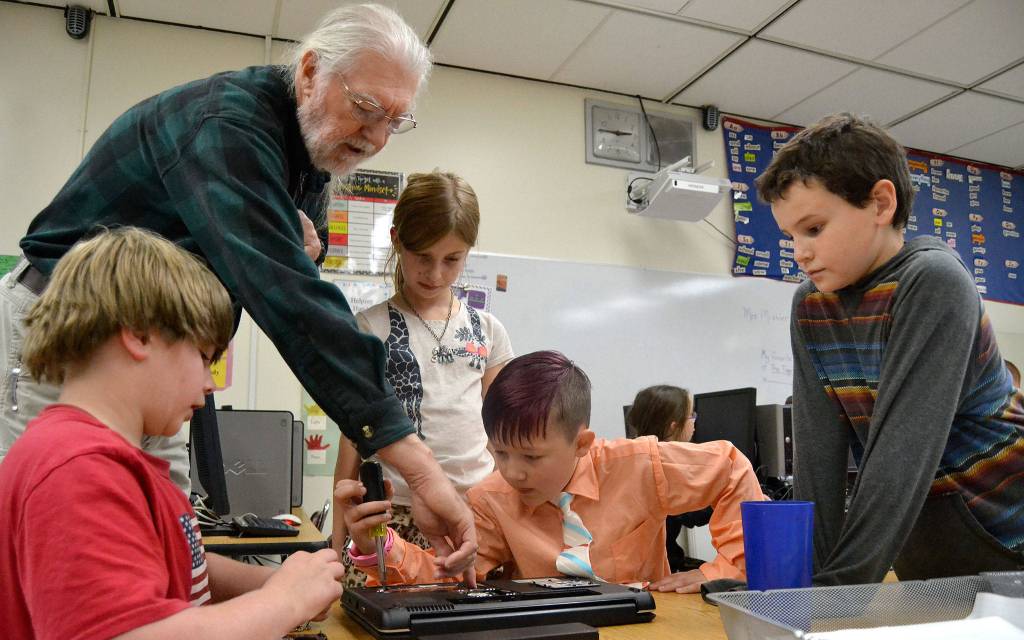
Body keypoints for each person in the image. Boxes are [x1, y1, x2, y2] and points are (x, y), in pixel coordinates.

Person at [0, 3, 476, 577]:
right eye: (366, 108)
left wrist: (282, 592)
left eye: (394, 122)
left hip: (158, 358)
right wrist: (420, 469)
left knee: (170, 536)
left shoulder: (311, 160)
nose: (376, 137)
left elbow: (300, 261)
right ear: (308, 73)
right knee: (60, 548)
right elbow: (291, 294)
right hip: (69, 337)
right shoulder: (227, 124)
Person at [0, 228, 344, 640]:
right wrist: (283, 602)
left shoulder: (113, 460)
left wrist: (275, 583)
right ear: (139, 335)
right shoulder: (77, 470)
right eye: (203, 356)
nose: (209, 382)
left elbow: (180, 562)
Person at [756, 112, 1024, 585]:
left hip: (1008, 535)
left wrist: (840, 588)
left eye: (814, 228)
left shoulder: (932, 280)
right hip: (930, 547)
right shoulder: (812, 305)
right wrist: (801, 584)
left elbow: (900, 453)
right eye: (791, 236)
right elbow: (818, 458)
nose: (800, 252)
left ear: (880, 203)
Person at [337, 351, 764, 593]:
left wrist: (721, 570)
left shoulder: (638, 465)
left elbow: (729, 468)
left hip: (648, 633)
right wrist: (380, 543)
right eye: (500, 453)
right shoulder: (490, 499)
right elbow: (450, 576)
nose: (513, 472)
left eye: (532, 457)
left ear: (582, 444)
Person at [331, 171, 513, 588]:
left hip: (475, 515)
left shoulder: (488, 330)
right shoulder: (368, 328)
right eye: (422, 257)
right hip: (392, 517)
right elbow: (351, 447)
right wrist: (334, 553)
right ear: (397, 240)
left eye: (452, 259)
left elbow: (502, 440)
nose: (435, 273)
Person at [628, 384, 712, 572]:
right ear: (674, 426)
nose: (694, 422)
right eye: (692, 416)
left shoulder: (631, 457)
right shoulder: (667, 466)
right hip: (659, 570)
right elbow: (695, 514)